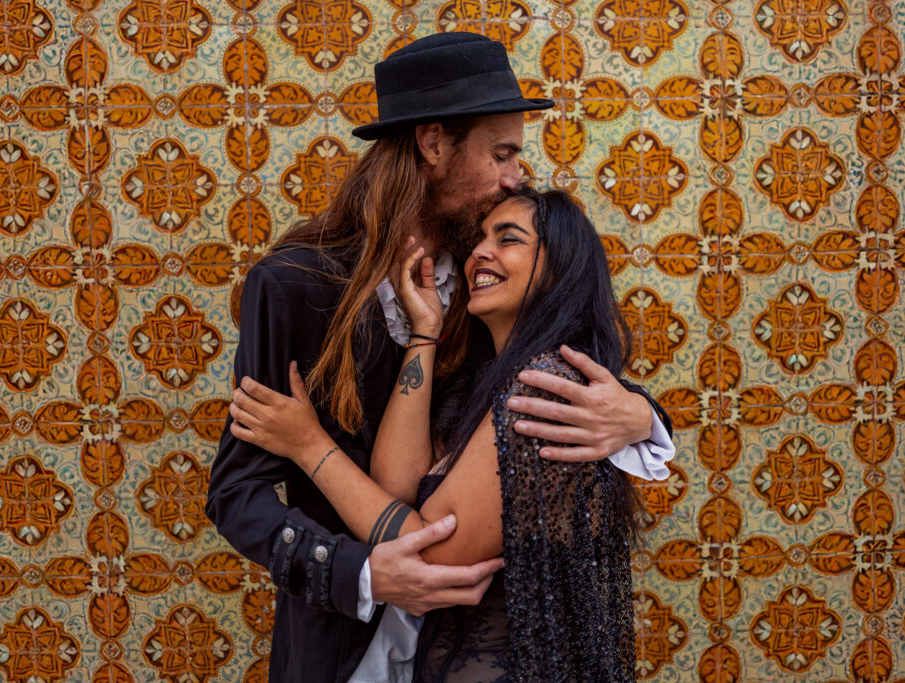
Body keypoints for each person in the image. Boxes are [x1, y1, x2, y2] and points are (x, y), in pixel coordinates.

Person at [205, 32, 673, 683]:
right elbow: (235, 494)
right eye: (502, 152)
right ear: (433, 145)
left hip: (474, 645)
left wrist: (636, 414)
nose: (518, 174)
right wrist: (361, 572)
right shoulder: (295, 285)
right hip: (343, 650)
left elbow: (551, 376)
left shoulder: (491, 279)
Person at [228, 188, 653, 681]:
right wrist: (424, 333)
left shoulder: (546, 386)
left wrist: (308, 445)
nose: (479, 252)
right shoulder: (490, 378)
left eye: (508, 239)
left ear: (560, 269)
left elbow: (428, 554)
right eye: (480, 239)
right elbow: (395, 487)